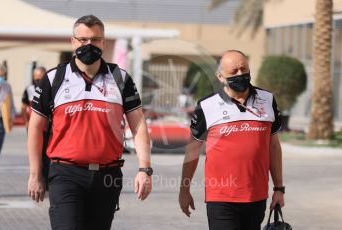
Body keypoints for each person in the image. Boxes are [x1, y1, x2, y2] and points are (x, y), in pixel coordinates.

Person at [27, 15, 153, 230]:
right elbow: (35, 128)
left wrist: (145, 169)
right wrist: (35, 174)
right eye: (83, 39)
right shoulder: (54, 78)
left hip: (107, 176)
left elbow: (138, 125)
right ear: (73, 41)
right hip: (65, 174)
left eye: (95, 40)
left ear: (103, 43)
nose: (89, 45)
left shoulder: (120, 78)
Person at [178, 50, 285, 230]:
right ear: (220, 77)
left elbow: (273, 147)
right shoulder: (207, 106)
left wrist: (278, 189)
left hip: (256, 197)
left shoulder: (267, 100)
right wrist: (184, 190)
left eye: (243, 69)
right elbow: (192, 151)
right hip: (221, 199)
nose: (240, 74)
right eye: (233, 71)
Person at [0, 63, 16, 175]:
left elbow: (12, 106)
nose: (1, 78)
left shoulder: (7, 86)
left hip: (1, 122)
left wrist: (10, 119)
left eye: (2, 75)